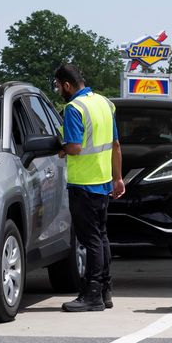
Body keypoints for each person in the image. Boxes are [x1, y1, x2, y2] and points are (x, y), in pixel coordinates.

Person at [54, 63, 124, 313]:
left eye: (58, 86)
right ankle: (105, 291)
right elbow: (115, 145)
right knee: (101, 237)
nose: (59, 91)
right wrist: (118, 178)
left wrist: (60, 147)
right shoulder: (105, 103)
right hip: (103, 182)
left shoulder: (74, 108)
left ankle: (92, 293)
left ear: (67, 85)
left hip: (83, 184)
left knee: (91, 240)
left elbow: (74, 147)